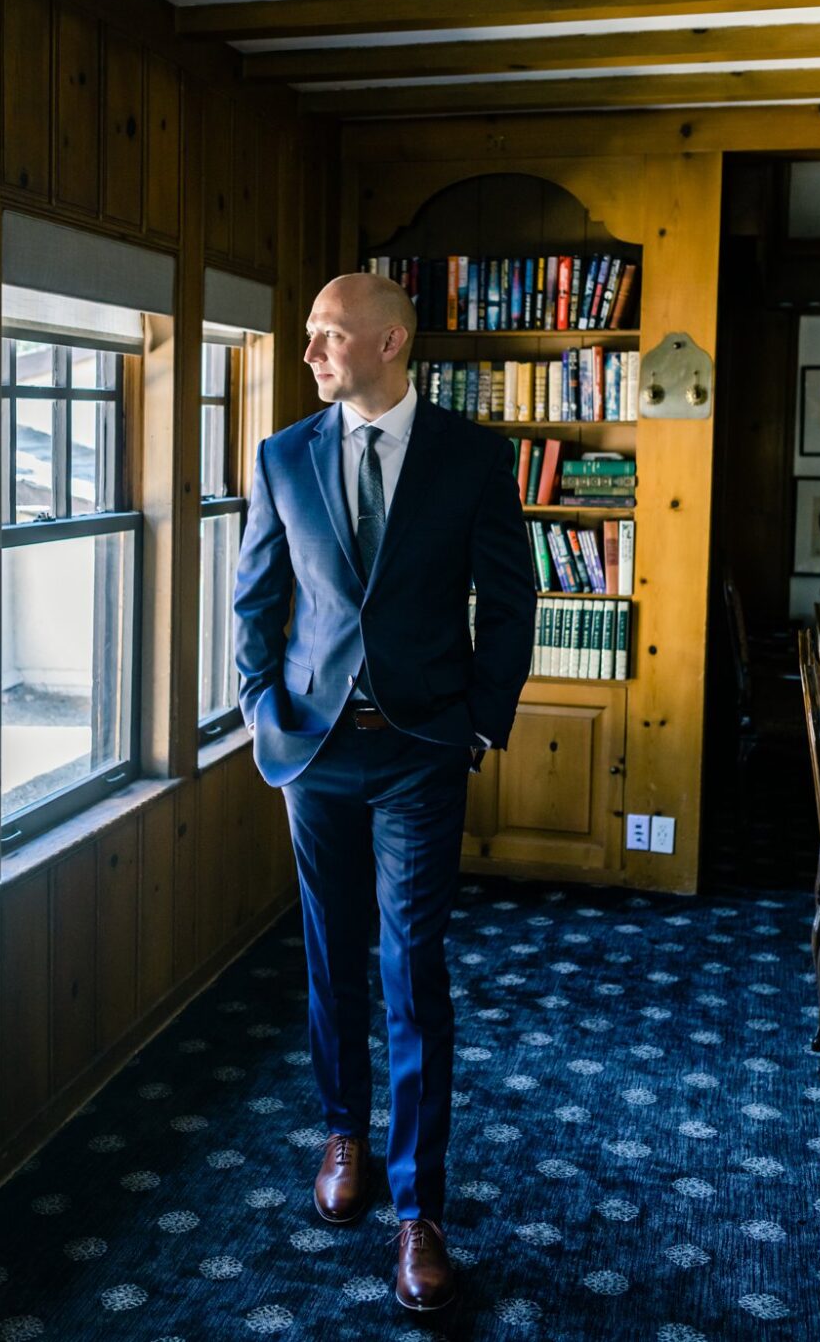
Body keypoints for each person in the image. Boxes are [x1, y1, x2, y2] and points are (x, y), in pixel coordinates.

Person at [230, 272, 535, 1312]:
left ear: (390, 341)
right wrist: (256, 707)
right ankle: (343, 1134)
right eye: (309, 336)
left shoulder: (472, 457)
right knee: (327, 953)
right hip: (311, 750)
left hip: (418, 748)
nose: (308, 354)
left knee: (412, 967)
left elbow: (508, 599)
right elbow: (253, 597)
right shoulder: (281, 456)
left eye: (326, 336)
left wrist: (479, 722)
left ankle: (418, 1212)